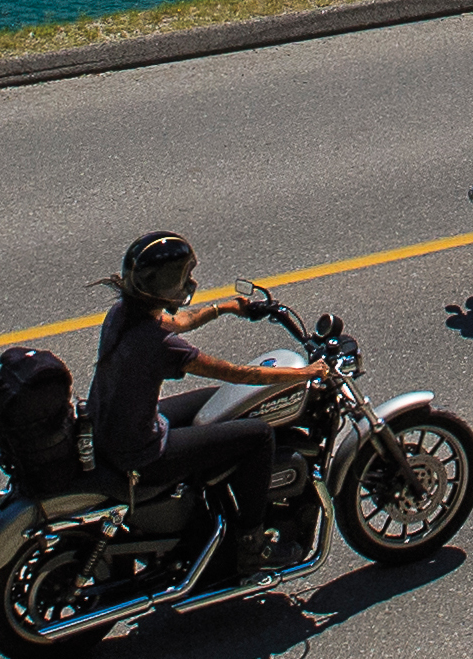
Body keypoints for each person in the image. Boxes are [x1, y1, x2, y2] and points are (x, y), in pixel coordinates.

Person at [87, 231, 328, 578]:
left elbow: (178, 321)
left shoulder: (123, 312)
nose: (190, 283)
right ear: (165, 285)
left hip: (112, 432)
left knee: (218, 403)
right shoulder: (158, 344)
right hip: (142, 452)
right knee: (258, 435)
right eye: (182, 277)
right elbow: (237, 374)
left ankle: (210, 501)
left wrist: (224, 307)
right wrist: (303, 373)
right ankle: (251, 544)